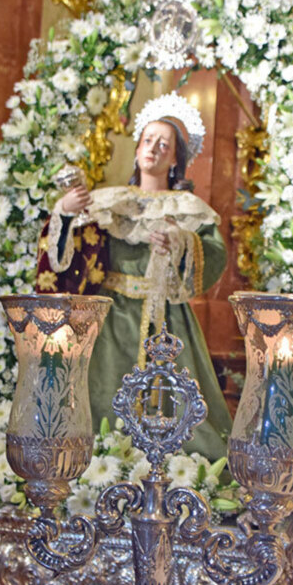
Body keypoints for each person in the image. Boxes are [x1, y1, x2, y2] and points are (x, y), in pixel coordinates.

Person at [36, 93, 231, 461]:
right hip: (110, 319)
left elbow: (216, 256)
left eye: (164, 144)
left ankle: (174, 471)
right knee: (99, 398)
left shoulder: (188, 209)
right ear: (138, 146)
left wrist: (179, 241)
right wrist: (64, 212)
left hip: (167, 319)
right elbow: (70, 257)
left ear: (176, 158)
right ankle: (97, 471)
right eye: (148, 140)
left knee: (174, 405)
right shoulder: (108, 200)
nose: (153, 149)